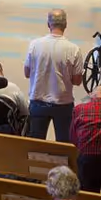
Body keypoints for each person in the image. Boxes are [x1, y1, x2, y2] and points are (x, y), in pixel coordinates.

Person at [23, 9, 84, 142]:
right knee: (64, 144)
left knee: (35, 144)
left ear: (48, 24)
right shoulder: (74, 49)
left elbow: (27, 73)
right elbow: (77, 81)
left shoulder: (35, 45)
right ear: (65, 25)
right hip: (63, 103)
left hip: (37, 101)